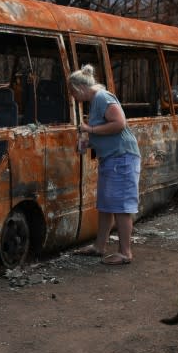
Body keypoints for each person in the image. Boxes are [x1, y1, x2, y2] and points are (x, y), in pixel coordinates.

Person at [68, 64, 141, 265]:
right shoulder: (94, 102)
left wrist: (90, 129)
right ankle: (99, 246)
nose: (73, 97)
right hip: (110, 158)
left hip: (122, 157)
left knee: (121, 205)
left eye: (73, 92)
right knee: (106, 205)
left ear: (80, 87)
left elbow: (119, 123)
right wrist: (86, 138)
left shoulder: (102, 97)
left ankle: (125, 252)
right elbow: (100, 131)